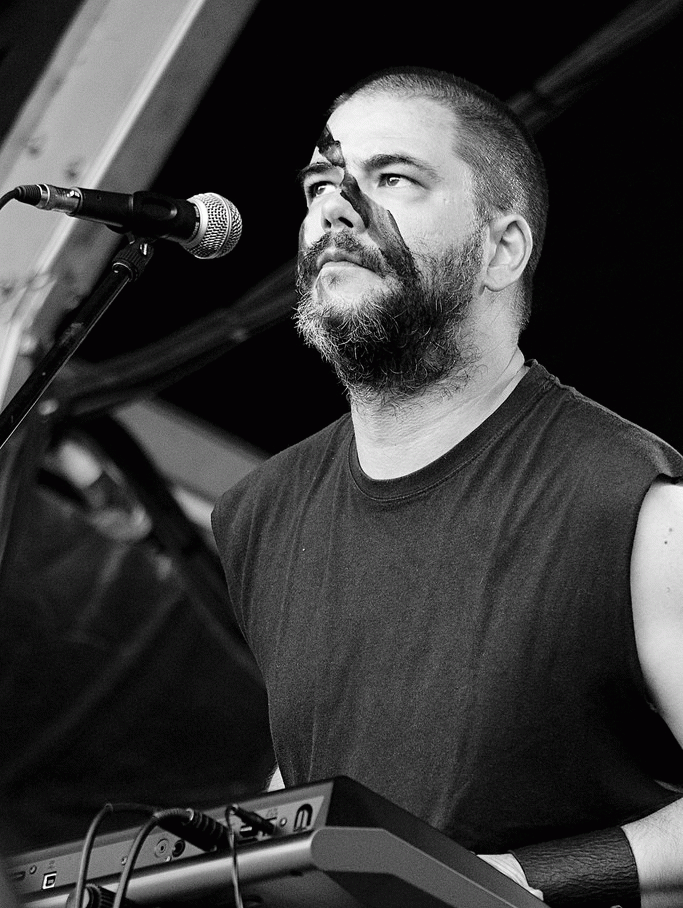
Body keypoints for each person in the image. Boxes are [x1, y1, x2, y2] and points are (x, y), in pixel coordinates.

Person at [212, 67, 683, 906]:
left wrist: (494, 886)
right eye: (319, 186)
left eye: (392, 178)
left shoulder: (631, 505)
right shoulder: (259, 510)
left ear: (502, 250)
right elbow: (329, 780)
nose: (335, 209)